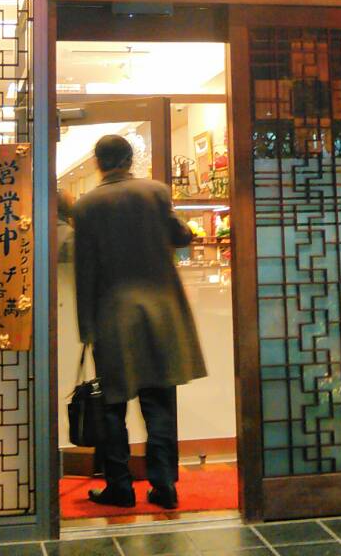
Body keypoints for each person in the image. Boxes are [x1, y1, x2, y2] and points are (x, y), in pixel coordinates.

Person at [71, 134, 206, 509]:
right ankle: (164, 487)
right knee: (160, 404)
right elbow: (181, 236)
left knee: (112, 407)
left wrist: (86, 327)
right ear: (130, 160)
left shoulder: (86, 205)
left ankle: (120, 487)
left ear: (98, 162)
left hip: (113, 317)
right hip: (161, 315)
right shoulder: (156, 192)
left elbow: (85, 272)